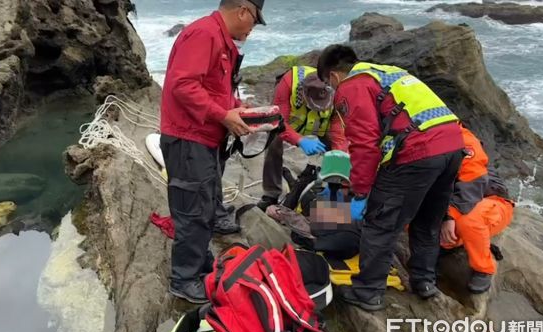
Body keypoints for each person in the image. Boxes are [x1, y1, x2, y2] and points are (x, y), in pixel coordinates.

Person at [317, 44, 465, 311]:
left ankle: (368, 292)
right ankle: (424, 281)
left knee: (380, 224)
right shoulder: (389, 73)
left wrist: (361, 193)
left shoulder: (352, 86)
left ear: (334, 76)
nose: (332, 90)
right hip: (453, 146)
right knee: (427, 219)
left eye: (329, 84)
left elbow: (364, 144)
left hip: (417, 152)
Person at [159, 0, 265, 304]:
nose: (252, 29)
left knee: (204, 205)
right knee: (192, 210)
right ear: (244, 10)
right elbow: (183, 85)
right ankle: (184, 280)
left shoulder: (221, 41)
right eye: (255, 21)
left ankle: (199, 262)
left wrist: (235, 108)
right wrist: (222, 115)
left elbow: (213, 88)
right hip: (187, 139)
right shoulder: (204, 34)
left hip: (203, 139)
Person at [256, 65, 348, 211]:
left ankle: (334, 192)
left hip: (322, 126)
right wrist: (299, 139)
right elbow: (278, 121)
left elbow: (338, 129)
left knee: (338, 153)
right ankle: (271, 195)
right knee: (273, 140)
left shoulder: (338, 90)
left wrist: (339, 155)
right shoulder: (288, 83)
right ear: (304, 94)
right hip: (292, 124)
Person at [440, 126, 514, 294]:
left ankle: (484, 268)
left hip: (492, 200)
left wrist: (448, 216)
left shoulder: (465, 142)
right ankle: (450, 243)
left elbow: (470, 188)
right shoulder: (428, 140)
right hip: (457, 200)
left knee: (468, 221)